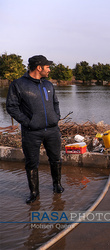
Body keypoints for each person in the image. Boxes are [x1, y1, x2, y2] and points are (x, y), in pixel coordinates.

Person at [6, 55, 64, 204]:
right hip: (31, 132)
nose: (49, 69)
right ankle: (34, 194)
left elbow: (55, 103)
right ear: (39, 68)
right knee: (32, 163)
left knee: (56, 159)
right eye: (47, 67)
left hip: (52, 130)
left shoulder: (49, 85)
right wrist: (28, 122)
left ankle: (57, 185)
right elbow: (11, 107)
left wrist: (56, 117)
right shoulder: (18, 84)